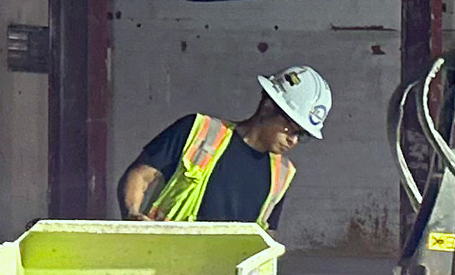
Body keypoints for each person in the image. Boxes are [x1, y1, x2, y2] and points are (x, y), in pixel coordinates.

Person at [117, 66, 331, 227]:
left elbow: (266, 238)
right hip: (164, 263)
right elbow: (139, 176)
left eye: (301, 136)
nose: (293, 140)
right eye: (291, 128)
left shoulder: (281, 174)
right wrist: (132, 215)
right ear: (267, 107)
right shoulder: (197, 132)